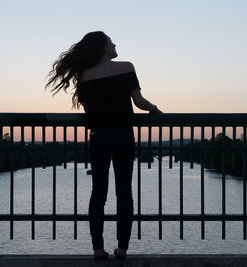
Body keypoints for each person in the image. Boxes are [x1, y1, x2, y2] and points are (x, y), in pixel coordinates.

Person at [45, 31, 162, 260]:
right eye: (110, 41)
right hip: (123, 136)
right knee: (124, 193)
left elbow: (90, 112)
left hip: (99, 137)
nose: (115, 43)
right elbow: (139, 103)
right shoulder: (126, 67)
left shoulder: (84, 76)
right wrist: (155, 109)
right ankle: (123, 248)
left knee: (98, 194)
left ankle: (98, 249)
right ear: (103, 47)